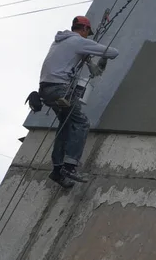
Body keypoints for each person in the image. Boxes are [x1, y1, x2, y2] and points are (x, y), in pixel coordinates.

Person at [38, 16, 119, 188]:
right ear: (83, 29)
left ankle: (57, 169)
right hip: (60, 89)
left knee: (65, 124)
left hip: (46, 90)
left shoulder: (60, 42)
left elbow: (93, 70)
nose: (87, 36)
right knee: (81, 123)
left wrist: (88, 58)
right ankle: (70, 166)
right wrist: (99, 53)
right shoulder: (78, 42)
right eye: (87, 34)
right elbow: (113, 52)